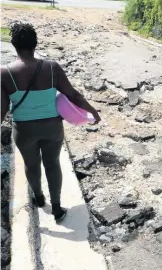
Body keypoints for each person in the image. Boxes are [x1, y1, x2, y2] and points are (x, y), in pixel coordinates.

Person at [1, 22, 101, 222]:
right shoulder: (52, 67)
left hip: (24, 129)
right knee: (53, 163)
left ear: (14, 45)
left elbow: (2, 109)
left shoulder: (5, 73)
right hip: (52, 127)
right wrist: (93, 112)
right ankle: (56, 207)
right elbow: (73, 94)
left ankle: (38, 199)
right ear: (35, 44)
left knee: (31, 164)